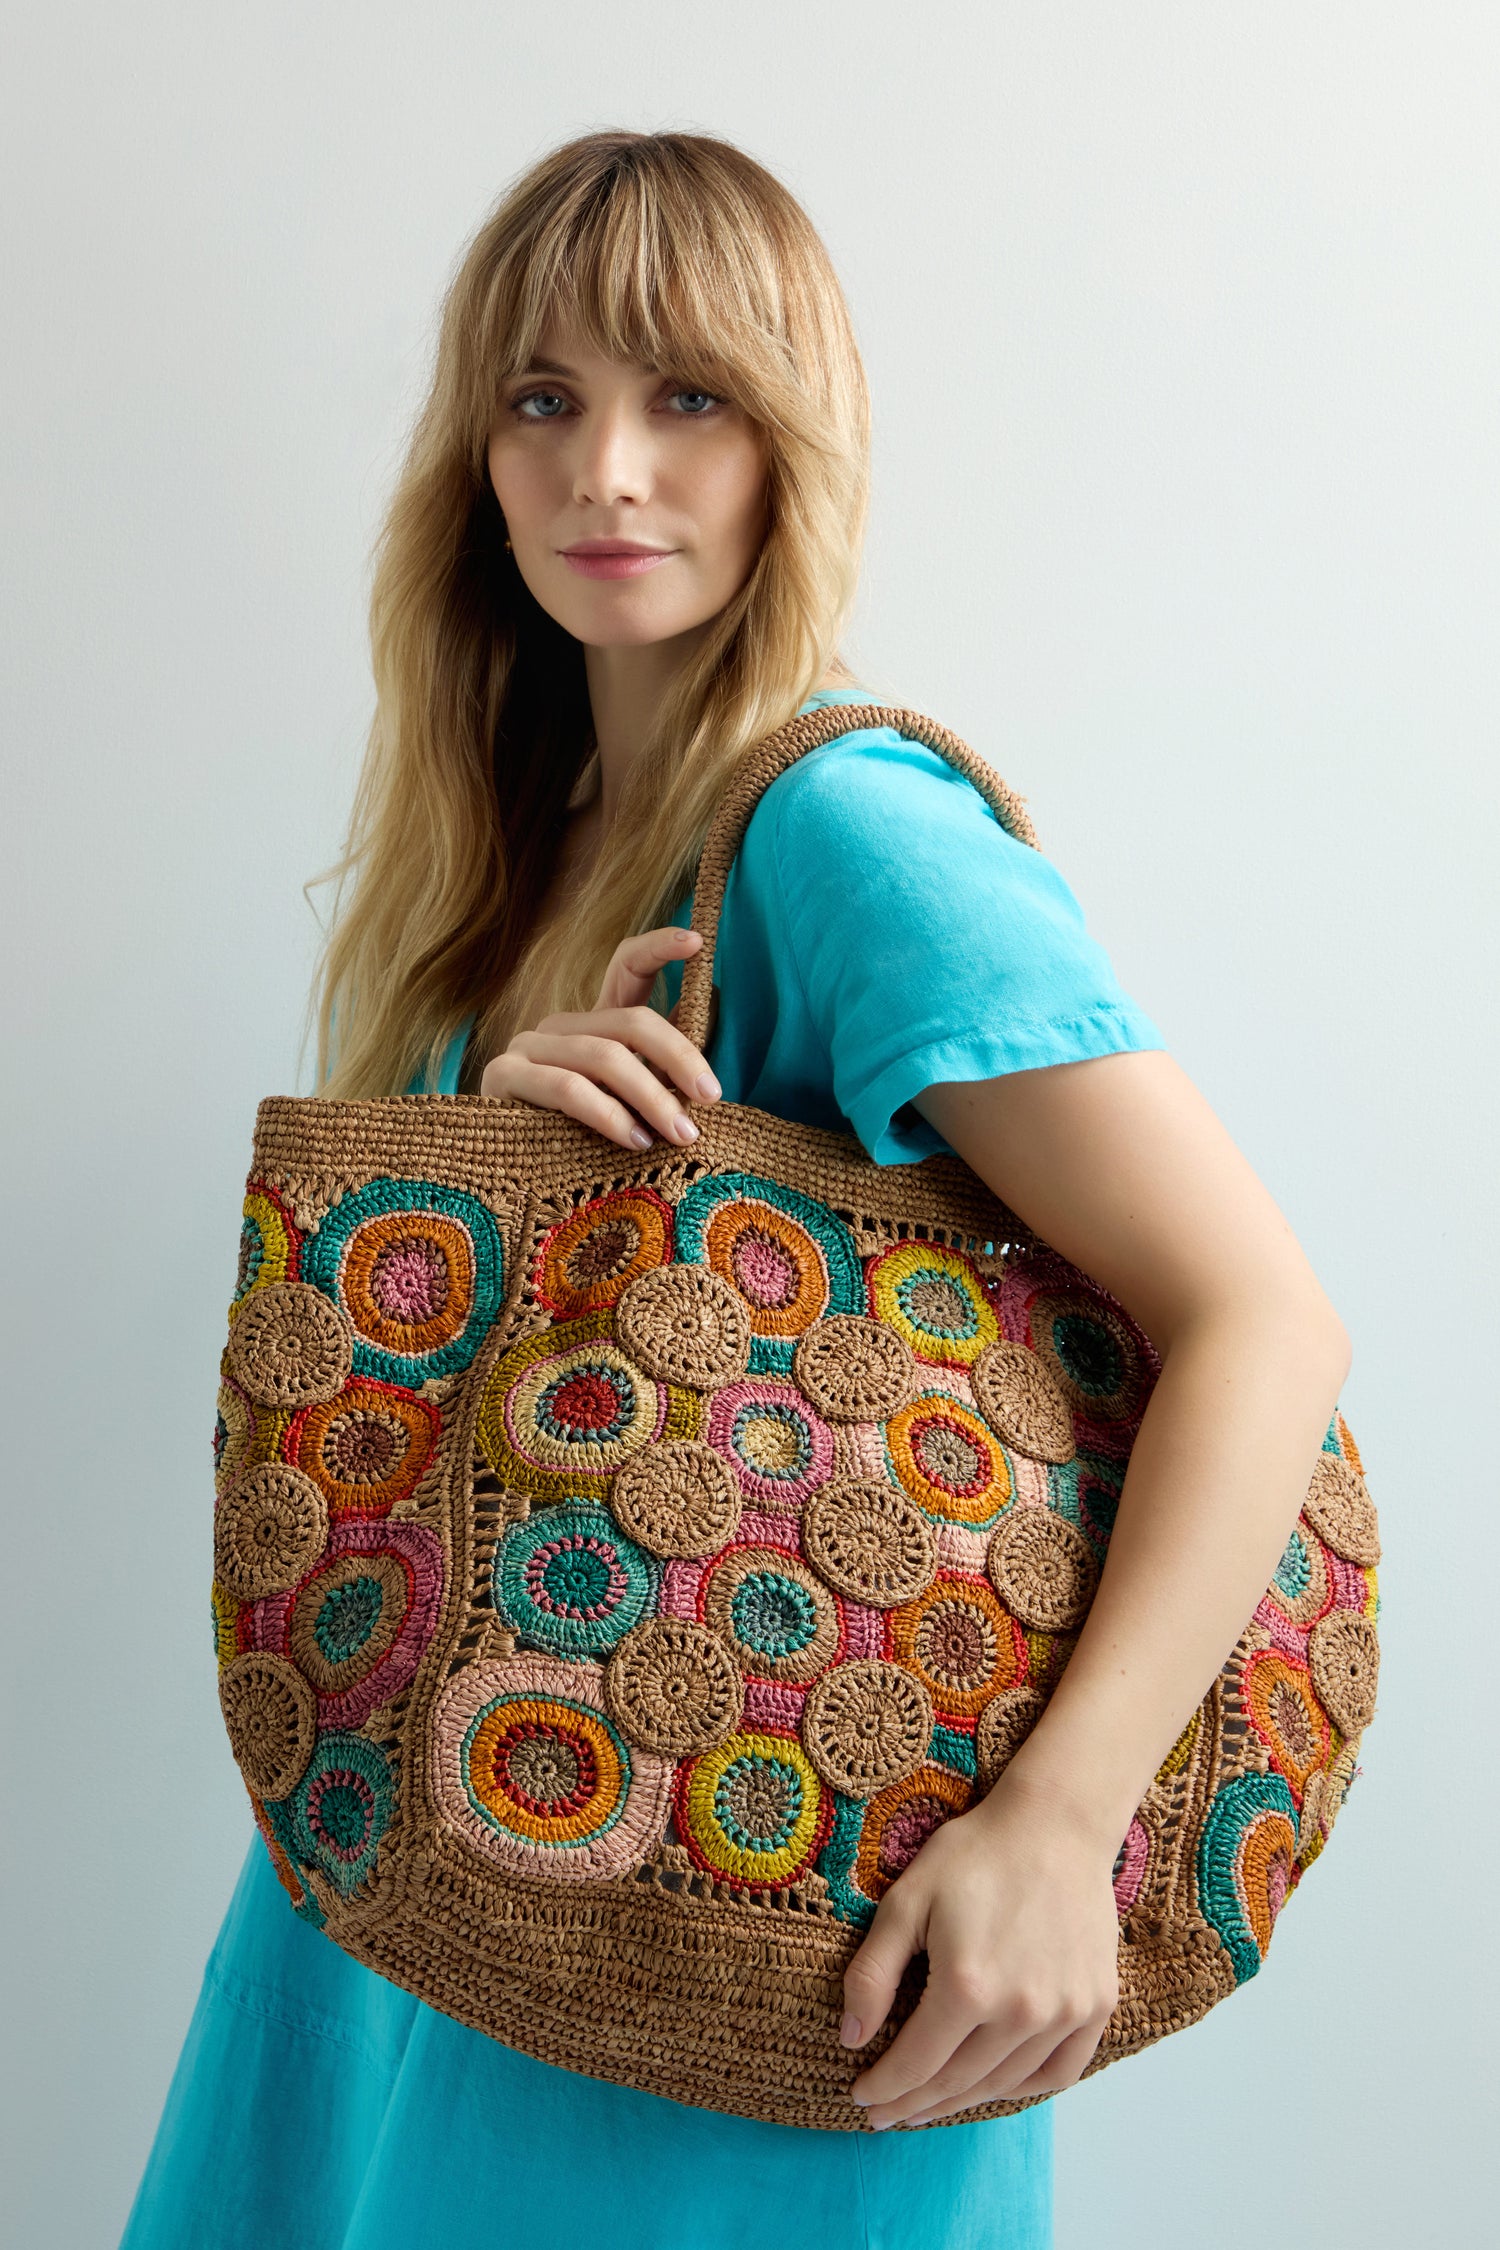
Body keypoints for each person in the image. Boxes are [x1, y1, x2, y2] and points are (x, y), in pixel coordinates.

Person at [119, 129, 1351, 2250]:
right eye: (544, 398)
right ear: (476, 456)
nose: (609, 469)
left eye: (688, 396)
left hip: (737, 1946)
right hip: (438, 1908)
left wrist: (1062, 1827)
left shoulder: (848, 833)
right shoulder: (522, 846)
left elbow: (1262, 1320)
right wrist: (504, 1148)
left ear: (794, 437)